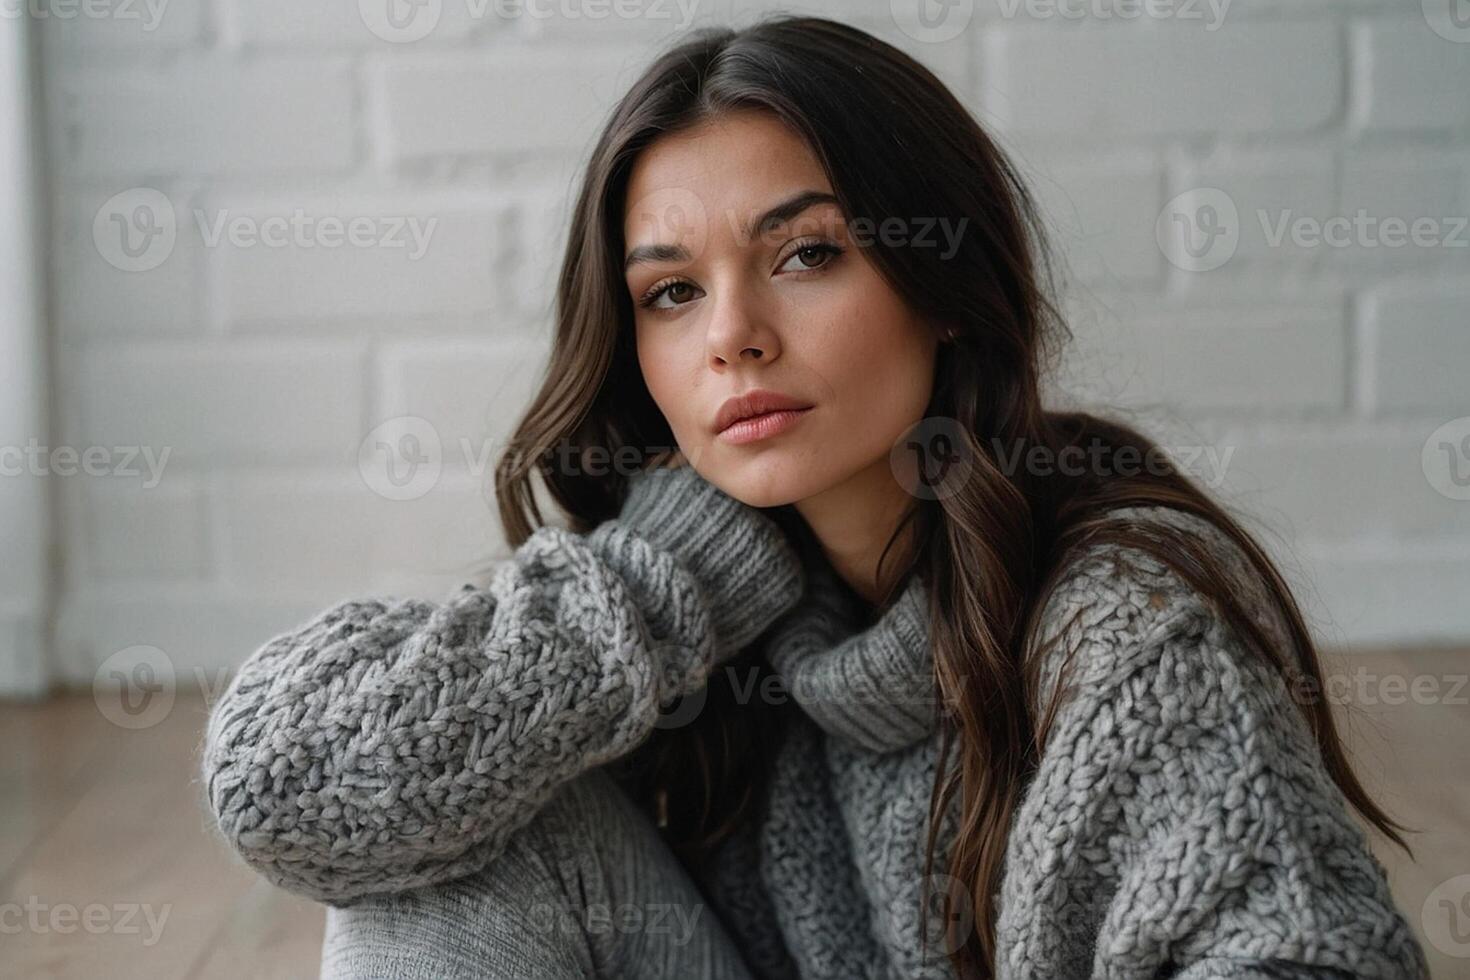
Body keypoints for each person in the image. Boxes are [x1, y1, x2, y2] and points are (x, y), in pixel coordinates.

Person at [199, 16, 1428, 980]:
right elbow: (282, 791)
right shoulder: (675, 616)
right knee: (450, 847)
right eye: (672, 292)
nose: (733, 334)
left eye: (807, 255)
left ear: (942, 284)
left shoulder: (1118, 626)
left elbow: (1313, 951)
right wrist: (650, 583)